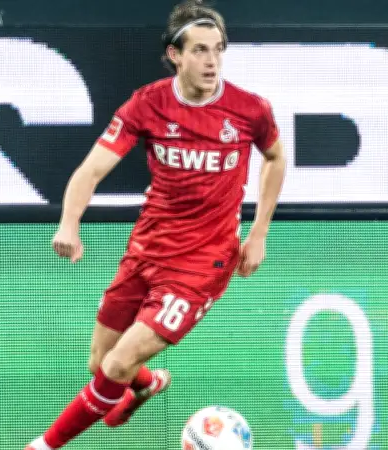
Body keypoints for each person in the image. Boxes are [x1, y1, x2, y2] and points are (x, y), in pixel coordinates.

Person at [25, 0, 286, 448]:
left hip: (202, 264)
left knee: (116, 365)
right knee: (101, 362)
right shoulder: (148, 104)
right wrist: (69, 224)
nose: (212, 61)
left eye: (218, 49)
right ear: (174, 55)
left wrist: (259, 232)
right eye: (200, 50)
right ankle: (148, 384)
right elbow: (91, 170)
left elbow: (276, 157)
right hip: (147, 249)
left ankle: (42, 445)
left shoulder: (249, 110)